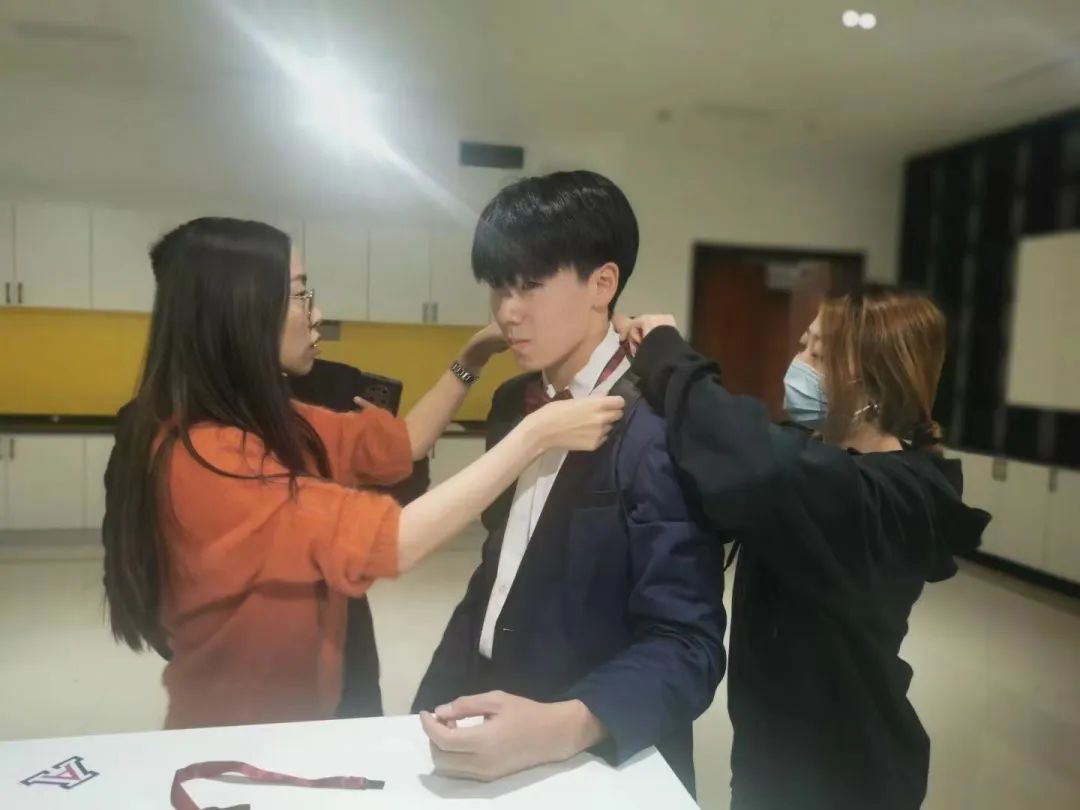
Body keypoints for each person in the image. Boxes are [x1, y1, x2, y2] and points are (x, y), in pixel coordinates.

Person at [102, 216, 624, 731]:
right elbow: (396, 540)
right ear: (240, 312)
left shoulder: (277, 420)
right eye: (300, 295)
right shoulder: (207, 458)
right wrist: (534, 436)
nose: (317, 314)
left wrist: (473, 356)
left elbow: (404, 443)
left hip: (305, 717)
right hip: (242, 737)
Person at [617, 288, 991, 810]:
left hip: (846, 773)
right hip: (769, 755)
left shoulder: (896, 494)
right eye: (803, 345)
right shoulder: (817, 453)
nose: (799, 364)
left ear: (875, 379)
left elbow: (756, 462)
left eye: (820, 353)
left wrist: (667, 352)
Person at [413, 171, 726, 793]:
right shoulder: (513, 401)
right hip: (479, 703)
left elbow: (688, 644)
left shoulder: (662, 419)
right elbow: (502, 560)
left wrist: (563, 726)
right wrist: (439, 691)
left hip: (596, 755)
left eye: (531, 284)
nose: (508, 311)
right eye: (499, 286)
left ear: (603, 284)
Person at [104, 234, 425, 720]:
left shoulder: (311, 394)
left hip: (332, 646)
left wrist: (466, 367)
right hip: (254, 682)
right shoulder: (191, 442)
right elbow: (133, 542)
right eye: (297, 295)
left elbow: (399, 463)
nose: (315, 316)